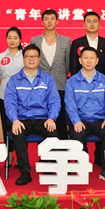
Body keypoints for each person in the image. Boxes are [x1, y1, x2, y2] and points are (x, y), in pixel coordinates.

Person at [4, 44, 61, 186]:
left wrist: (51, 118)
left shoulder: (47, 79)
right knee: (17, 132)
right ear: (23, 59)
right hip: (22, 119)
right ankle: (25, 171)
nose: (31, 59)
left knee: (52, 132)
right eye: (28, 56)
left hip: (43, 118)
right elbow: (10, 103)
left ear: (39, 59)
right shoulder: (14, 80)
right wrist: (15, 120)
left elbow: (54, 101)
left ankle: (47, 167)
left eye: (34, 56)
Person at [65, 47, 105, 181]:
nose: (89, 61)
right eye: (85, 58)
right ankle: (82, 168)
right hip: (81, 120)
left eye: (92, 58)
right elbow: (70, 104)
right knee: (77, 135)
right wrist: (76, 121)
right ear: (80, 60)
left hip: (101, 120)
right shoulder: (72, 81)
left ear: (97, 61)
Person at [30, 9, 71, 140]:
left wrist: (62, 76)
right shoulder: (35, 40)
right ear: (42, 22)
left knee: (60, 119)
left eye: (52, 19)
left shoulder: (65, 41)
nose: (49, 21)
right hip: (40, 85)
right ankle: (46, 152)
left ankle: (63, 150)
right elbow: (33, 62)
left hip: (60, 84)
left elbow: (67, 63)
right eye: (46, 19)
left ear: (57, 21)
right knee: (43, 119)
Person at [0, 27, 24, 165]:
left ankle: (21, 155)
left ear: (20, 39)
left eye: (15, 38)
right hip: (4, 96)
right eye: (9, 38)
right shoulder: (0, 57)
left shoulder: (25, 56)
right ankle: (9, 154)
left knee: (21, 125)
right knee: (7, 127)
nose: (12, 40)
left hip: (23, 97)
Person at [69, 11, 105, 79]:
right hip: (81, 81)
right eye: (89, 21)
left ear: (99, 24)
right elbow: (73, 65)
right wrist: (77, 81)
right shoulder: (77, 43)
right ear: (84, 25)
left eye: (95, 21)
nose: (92, 24)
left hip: (102, 81)